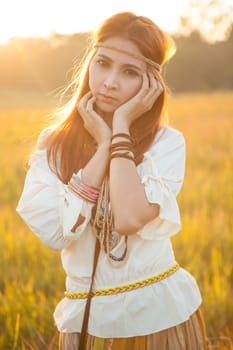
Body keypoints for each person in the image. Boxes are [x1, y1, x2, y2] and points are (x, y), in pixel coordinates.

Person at [16, 11, 207, 350]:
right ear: (90, 62)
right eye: (103, 63)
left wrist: (119, 128)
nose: (109, 82)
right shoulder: (53, 142)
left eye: (129, 72)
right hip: (85, 322)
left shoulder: (167, 143)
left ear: (150, 83)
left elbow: (131, 218)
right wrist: (102, 147)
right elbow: (59, 234)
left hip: (157, 316)